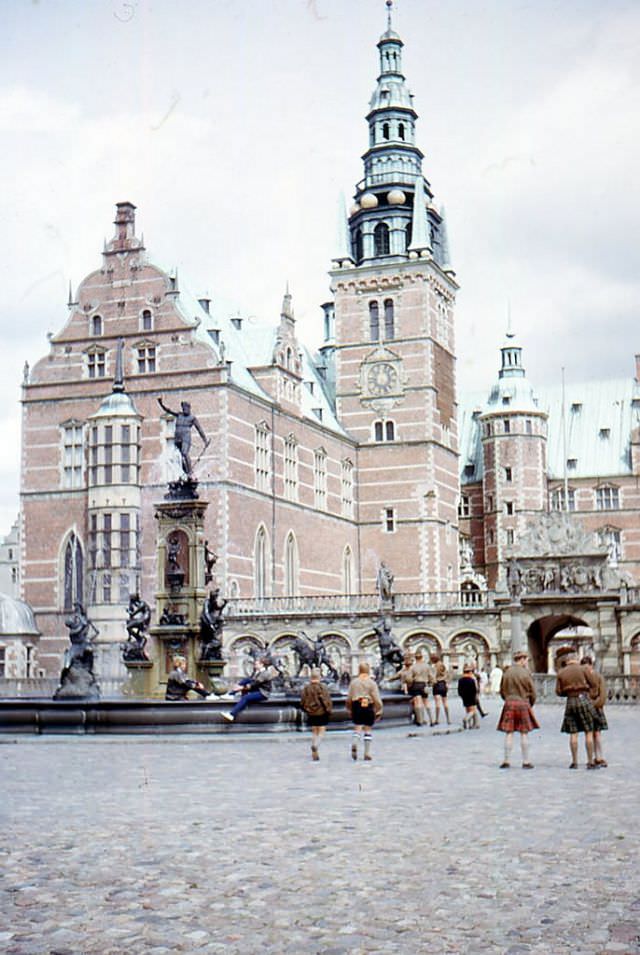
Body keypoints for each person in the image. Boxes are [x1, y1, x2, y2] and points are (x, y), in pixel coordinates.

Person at [554, 646, 600, 769]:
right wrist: (590, 694)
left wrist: (568, 693)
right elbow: (594, 683)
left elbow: (558, 691)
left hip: (570, 701)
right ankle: (590, 761)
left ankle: (574, 762)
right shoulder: (584, 669)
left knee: (573, 733)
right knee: (588, 731)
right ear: (576, 659)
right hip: (584, 699)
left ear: (567, 661)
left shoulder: (561, 672)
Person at [496, 650, 539, 768]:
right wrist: (530, 703)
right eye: (526, 660)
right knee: (524, 733)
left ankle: (506, 760)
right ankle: (526, 761)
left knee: (509, 733)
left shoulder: (507, 672)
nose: (526, 662)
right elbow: (533, 692)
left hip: (509, 703)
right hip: (523, 703)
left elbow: (502, 690)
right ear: (522, 659)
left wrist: (507, 699)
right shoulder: (526, 673)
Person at [157, 395, 209, 476]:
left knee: (185, 453)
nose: (184, 409)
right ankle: (186, 472)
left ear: (189, 408)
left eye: (185, 408)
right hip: (178, 438)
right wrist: (161, 404)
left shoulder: (192, 418)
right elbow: (168, 410)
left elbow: (200, 429)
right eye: (183, 408)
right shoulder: (179, 415)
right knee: (179, 456)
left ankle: (190, 472)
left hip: (186, 437)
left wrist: (205, 440)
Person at [346, 662, 383, 761]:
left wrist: (349, 708)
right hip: (368, 704)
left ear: (359, 670)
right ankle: (367, 752)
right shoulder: (371, 682)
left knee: (357, 726)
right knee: (367, 729)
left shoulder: (354, 682)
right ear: (368, 670)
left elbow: (349, 697)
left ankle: (355, 741)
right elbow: (376, 697)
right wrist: (379, 708)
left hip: (356, 704)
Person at [222, 657, 273, 723]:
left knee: (246, 697)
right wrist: (239, 686)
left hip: (263, 693)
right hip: (257, 689)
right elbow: (250, 681)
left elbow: (254, 684)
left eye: (256, 664)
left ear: (262, 664)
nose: (255, 665)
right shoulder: (257, 672)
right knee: (247, 680)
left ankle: (232, 715)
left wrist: (241, 688)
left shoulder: (265, 673)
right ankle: (231, 694)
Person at [581, 655, 608, 768]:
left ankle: (597, 757)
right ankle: (596, 757)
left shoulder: (595, 677)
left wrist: (593, 705)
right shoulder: (590, 677)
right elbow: (602, 696)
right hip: (593, 707)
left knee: (595, 733)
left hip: (592, 707)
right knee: (593, 734)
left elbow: (602, 695)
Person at [300, 668, 333, 760]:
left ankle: (314, 751)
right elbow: (326, 700)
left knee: (314, 731)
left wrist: (306, 709)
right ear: (320, 677)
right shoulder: (322, 687)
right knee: (321, 731)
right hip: (321, 712)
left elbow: (302, 701)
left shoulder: (306, 687)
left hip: (311, 712)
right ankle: (316, 745)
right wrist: (329, 710)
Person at [407, 648, 435, 726]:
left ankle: (420, 721)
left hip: (416, 684)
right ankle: (432, 720)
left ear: (415, 657)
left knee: (418, 702)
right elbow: (432, 677)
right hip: (424, 684)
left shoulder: (413, 667)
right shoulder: (427, 666)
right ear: (422, 657)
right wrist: (431, 684)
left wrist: (409, 684)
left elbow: (409, 679)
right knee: (426, 702)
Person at [458, 664, 480, 729]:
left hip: (464, 696)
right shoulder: (471, 680)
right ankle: (466, 719)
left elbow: (459, 689)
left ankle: (471, 724)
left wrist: (461, 695)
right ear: (469, 672)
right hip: (471, 696)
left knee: (467, 710)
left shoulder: (460, 680)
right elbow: (474, 689)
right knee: (473, 710)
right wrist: (476, 695)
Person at [431, 654, 450, 725]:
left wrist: (431, 683)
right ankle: (448, 719)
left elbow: (433, 676)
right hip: (443, 684)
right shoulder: (443, 665)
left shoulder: (435, 666)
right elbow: (447, 674)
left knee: (437, 703)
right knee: (445, 702)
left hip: (437, 684)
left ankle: (437, 719)